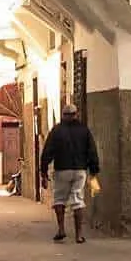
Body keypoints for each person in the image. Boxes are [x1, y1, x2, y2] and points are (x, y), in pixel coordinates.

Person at [38, 103, 100, 243]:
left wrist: (43, 173)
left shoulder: (56, 131)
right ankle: (78, 235)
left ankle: (61, 230)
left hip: (62, 171)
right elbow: (92, 151)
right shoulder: (84, 131)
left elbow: (47, 152)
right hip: (80, 171)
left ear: (63, 115)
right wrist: (94, 171)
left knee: (59, 199)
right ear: (76, 114)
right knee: (77, 200)